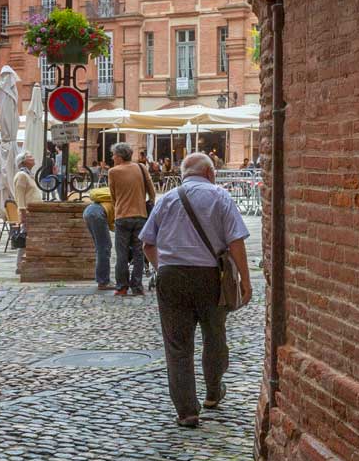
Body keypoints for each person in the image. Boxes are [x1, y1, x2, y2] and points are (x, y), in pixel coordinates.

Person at [138, 152, 253, 427]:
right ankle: (213, 392)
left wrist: (161, 268)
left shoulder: (167, 199)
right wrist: (245, 281)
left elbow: (147, 243)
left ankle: (187, 411)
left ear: (183, 174)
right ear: (211, 174)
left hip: (171, 275)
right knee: (214, 335)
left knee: (177, 346)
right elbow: (236, 241)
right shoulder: (220, 196)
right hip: (210, 276)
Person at [106, 142, 155, 298]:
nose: (112, 158)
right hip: (140, 215)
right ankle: (137, 286)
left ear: (119, 156)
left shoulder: (113, 172)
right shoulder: (141, 168)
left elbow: (113, 195)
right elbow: (151, 189)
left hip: (122, 216)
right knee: (139, 253)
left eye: (113, 155)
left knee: (121, 254)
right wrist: (149, 201)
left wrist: (118, 206)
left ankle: (122, 287)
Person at [83, 182, 115, 290]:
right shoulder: (123, 198)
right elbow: (115, 223)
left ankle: (102, 279)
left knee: (101, 246)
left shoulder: (111, 193)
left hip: (89, 211)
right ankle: (103, 282)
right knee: (104, 247)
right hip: (98, 214)